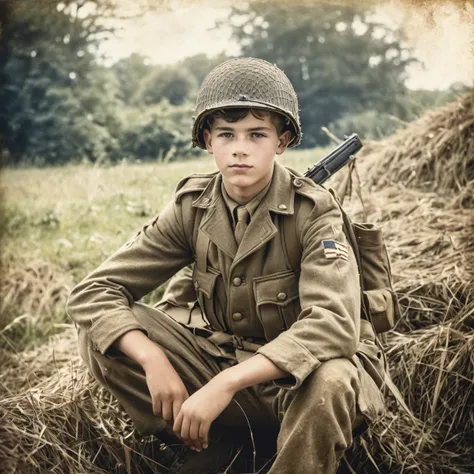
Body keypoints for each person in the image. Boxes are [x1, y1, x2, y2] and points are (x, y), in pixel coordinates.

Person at [66, 57, 385, 474]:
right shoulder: (193, 208)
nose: (240, 148)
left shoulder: (314, 212)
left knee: (333, 378)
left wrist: (225, 384)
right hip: (221, 360)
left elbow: (333, 326)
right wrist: (152, 360)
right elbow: (93, 292)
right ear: (206, 140)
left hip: (296, 385)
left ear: (282, 141)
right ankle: (203, 442)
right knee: (103, 331)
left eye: (257, 134)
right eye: (226, 134)